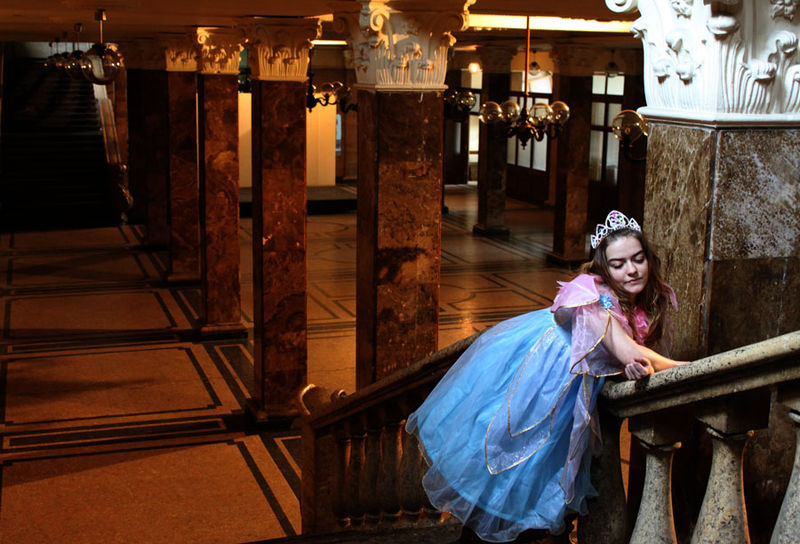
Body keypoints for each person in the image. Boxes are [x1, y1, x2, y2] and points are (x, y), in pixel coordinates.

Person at [405, 210, 688, 543]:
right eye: (618, 264)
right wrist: (690, 368)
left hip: (564, 389)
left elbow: (625, 352)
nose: (632, 270)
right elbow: (629, 350)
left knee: (536, 481)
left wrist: (626, 367)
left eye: (638, 259)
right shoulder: (592, 297)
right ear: (603, 269)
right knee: (513, 468)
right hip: (540, 384)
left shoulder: (643, 301)